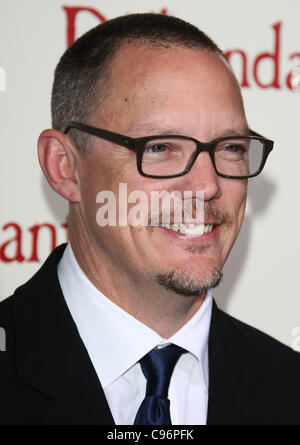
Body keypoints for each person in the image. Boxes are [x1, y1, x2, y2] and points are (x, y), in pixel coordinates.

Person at [0, 13, 299, 426]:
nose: (207, 185)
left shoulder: (289, 387)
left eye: (230, 147)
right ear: (65, 166)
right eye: (160, 147)